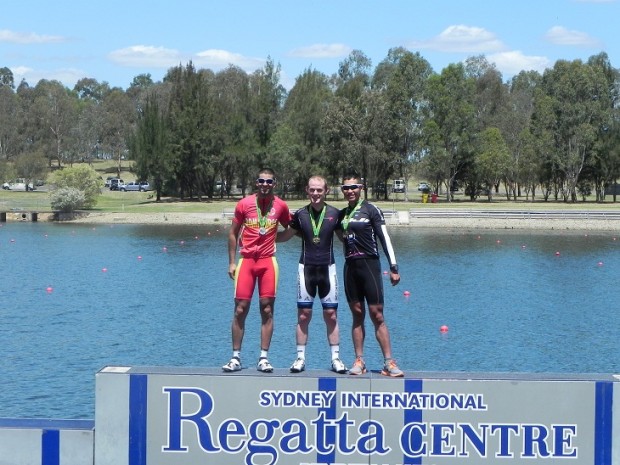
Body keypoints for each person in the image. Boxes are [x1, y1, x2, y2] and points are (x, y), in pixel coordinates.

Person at [222, 168, 291, 373]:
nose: (265, 185)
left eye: (269, 181)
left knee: (267, 309)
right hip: (247, 261)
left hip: (268, 262)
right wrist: (232, 262)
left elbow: (291, 228)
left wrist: (275, 238)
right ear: (256, 183)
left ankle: (263, 358)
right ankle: (235, 358)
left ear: (274, 183)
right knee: (240, 309)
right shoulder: (244, 204)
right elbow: (233, 234)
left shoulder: (280, 205)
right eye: (261, 181)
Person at [277, 175, 347, 374]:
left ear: (326, 191)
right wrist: (261, 237)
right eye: (312, 190)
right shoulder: (300, 215)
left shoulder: (335, 214)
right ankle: (300, 358)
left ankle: (336, 359)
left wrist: (363, 240)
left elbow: (344, 239)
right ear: (307, 191)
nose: (316, 193)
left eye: (319, 190)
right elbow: (285, 236)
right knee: (304, 315)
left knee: (331, 315)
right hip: (305, 270)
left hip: (328, 270)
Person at [338, 171, 404, 377]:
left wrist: (394, 267)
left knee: (377, 314)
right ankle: (359, 361)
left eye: (354, 187)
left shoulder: (371, 209)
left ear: (361, 188)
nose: (350, 191)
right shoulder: (341, 214)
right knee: (357, 314)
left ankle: (389, 362)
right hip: (350, 267)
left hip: (370, 266)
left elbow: (384, 238)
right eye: (346, 188)